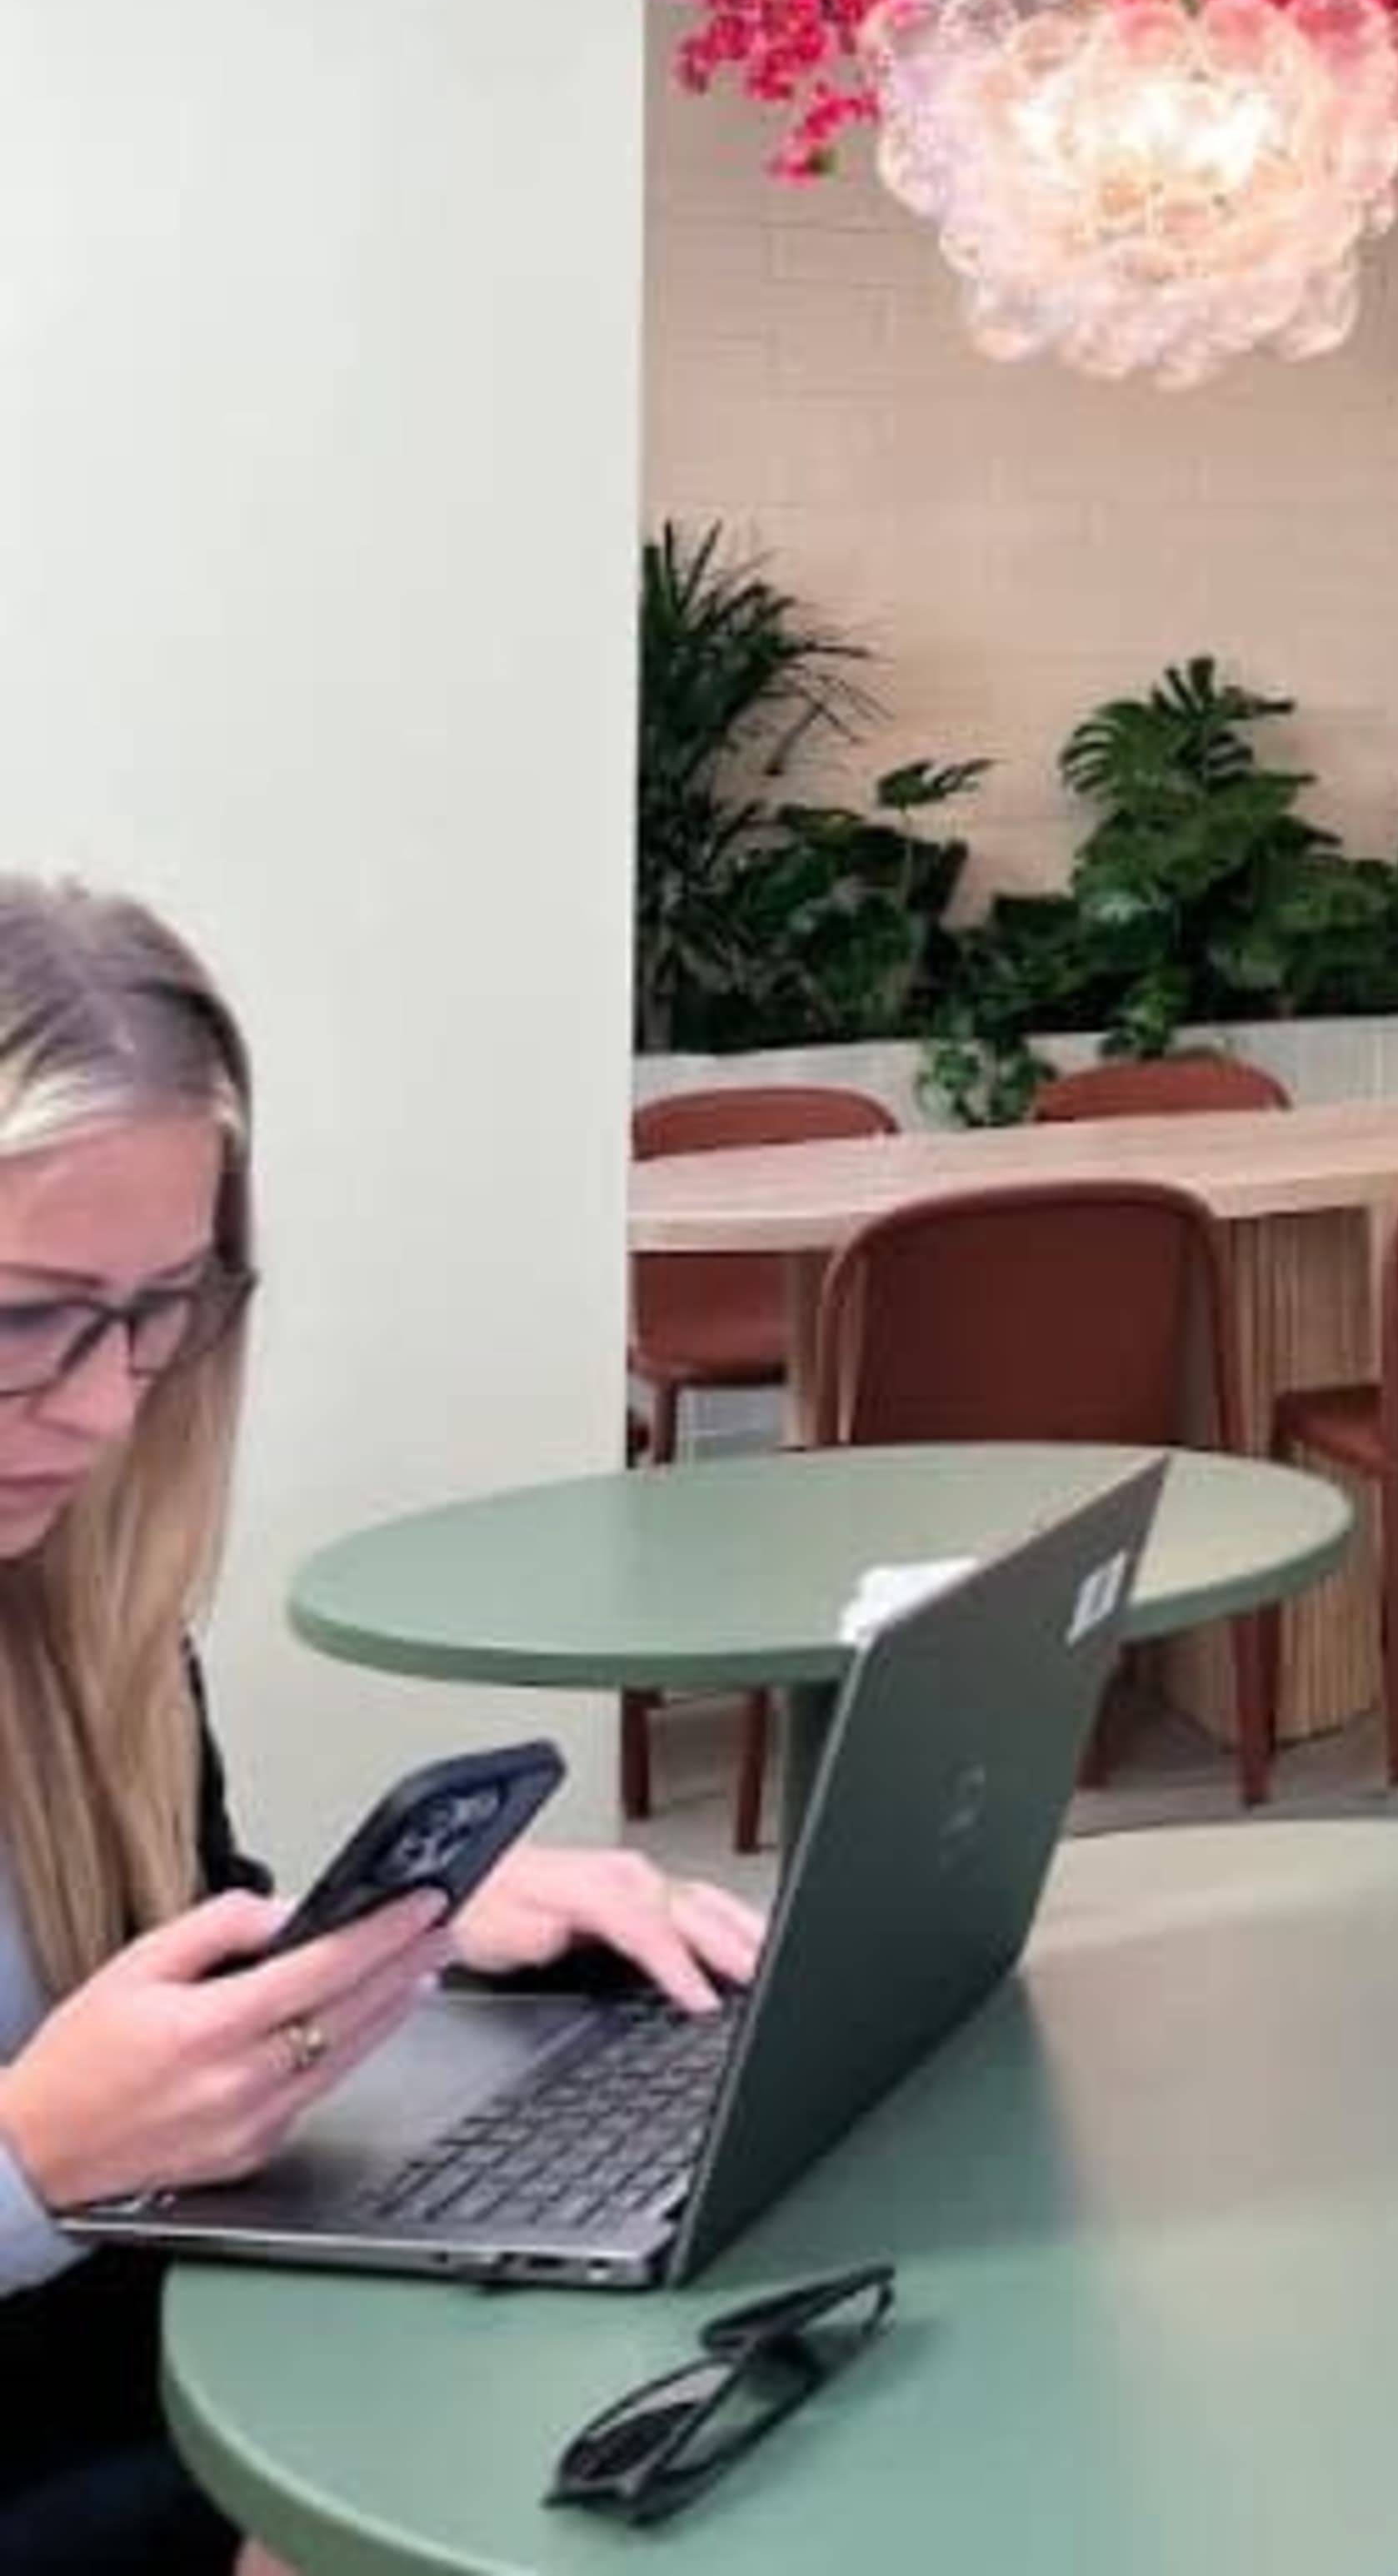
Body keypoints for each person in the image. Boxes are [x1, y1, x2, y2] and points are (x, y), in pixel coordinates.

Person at [0, 876, 764, 2571]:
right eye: (24, 1314)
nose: (111, 1400)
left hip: (174, 2383)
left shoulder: (82, 1607)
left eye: (161, 1310)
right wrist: (28, 2157)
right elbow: (67, 2121)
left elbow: (158, 1954)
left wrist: (410, 1942)